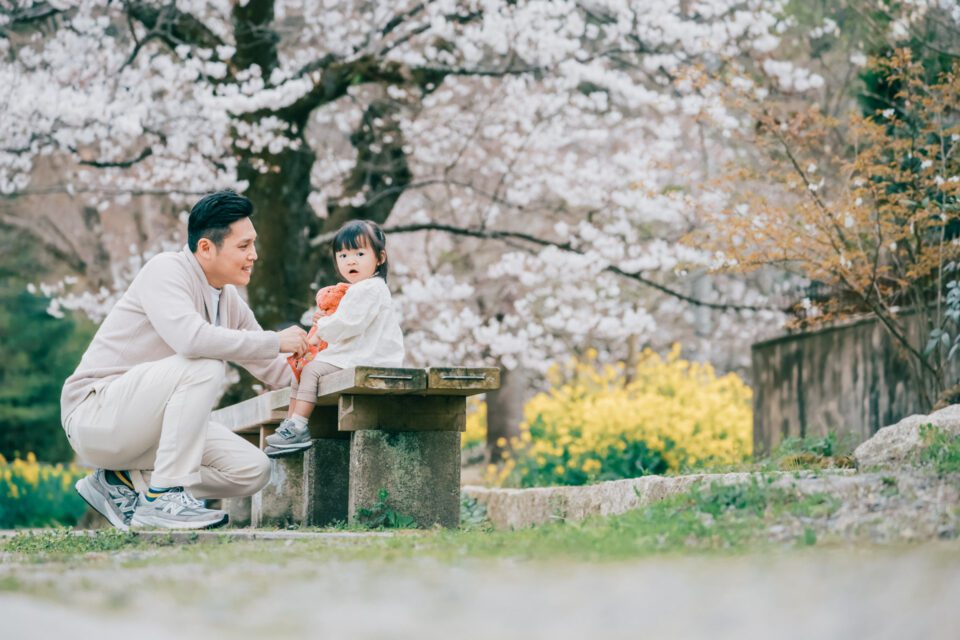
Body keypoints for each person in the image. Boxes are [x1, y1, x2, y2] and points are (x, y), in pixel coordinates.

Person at [62, 191, 309, 530]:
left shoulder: (228, 299)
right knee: (204, 363)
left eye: (253, 245)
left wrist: (320, 372)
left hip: (148, 431)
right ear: (206, 248)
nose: (254, 255)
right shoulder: (166, 270)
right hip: (96, 415)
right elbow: (190, 340)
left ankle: (122, 481)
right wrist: (276, 340)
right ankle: (163, 496)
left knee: (253, 469)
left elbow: (272, 367)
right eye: (243, 246)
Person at [265, 220, 404, 456]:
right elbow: (345, 319)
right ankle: (290, 425)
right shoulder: (362, 289)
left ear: (380, 258)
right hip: (359, 353)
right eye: (343, 255)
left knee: (311, 370)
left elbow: (349, 323)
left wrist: (321, 328)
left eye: (360, 253)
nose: (351, 261)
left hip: (371, 357)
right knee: (305, 369)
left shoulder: (369, 288)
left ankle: (298, 425)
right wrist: (328, 319)